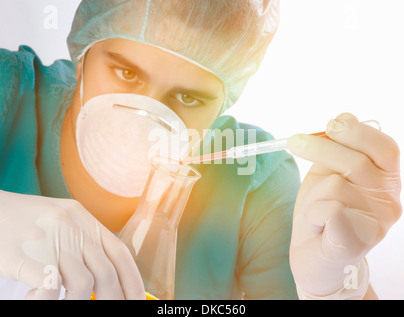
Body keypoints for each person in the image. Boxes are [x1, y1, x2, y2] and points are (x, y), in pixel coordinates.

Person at [0, 0, 401, 300]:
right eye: (127, 73)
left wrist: (336, 288)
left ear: (223, 100)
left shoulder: (254, 179)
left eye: (188, 98)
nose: (149, 117)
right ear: (84, 55)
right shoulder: (9, 92)